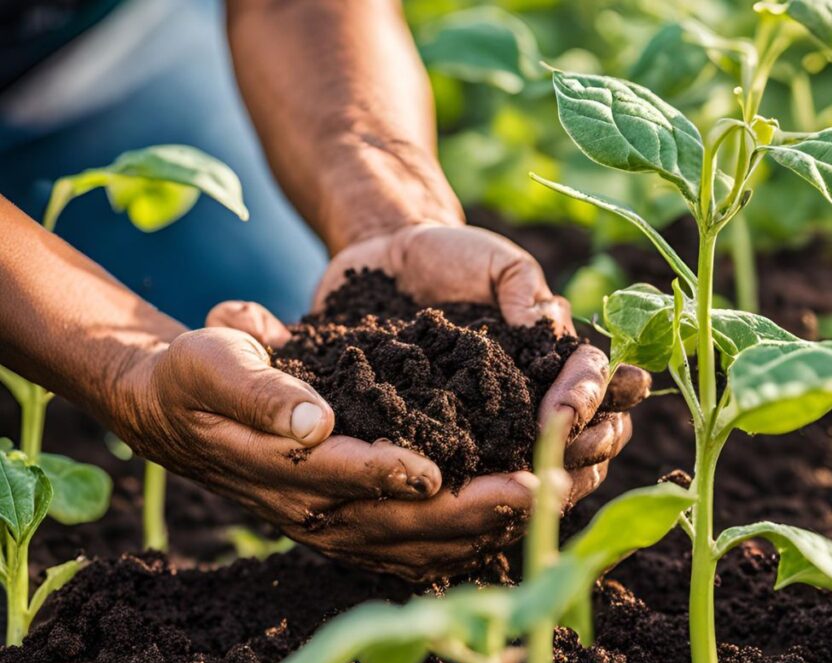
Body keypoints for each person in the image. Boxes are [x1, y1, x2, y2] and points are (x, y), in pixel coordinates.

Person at [0, 1, 648, 580]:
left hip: (83, 56)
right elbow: (125, 362)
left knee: (274, 323)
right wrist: (125, 368)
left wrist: (389, 216)